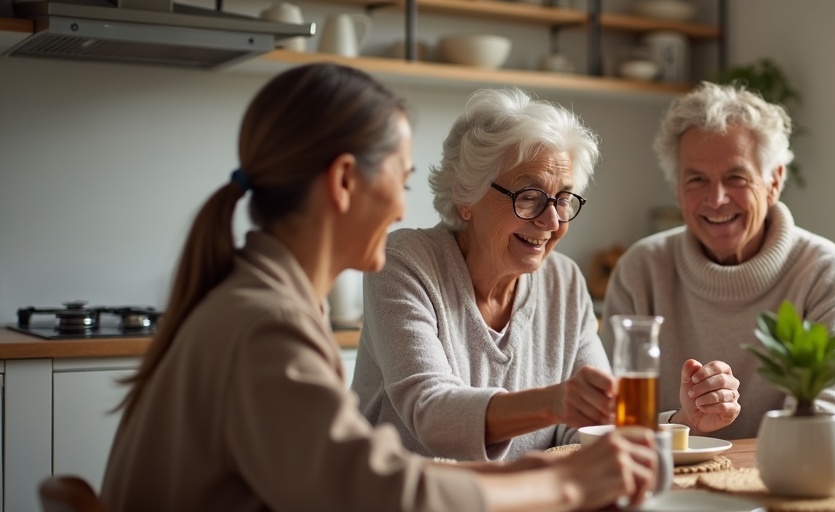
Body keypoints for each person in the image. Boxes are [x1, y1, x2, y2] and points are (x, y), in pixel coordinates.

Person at [102, 63, 657, 512]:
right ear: (345, 181)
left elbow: (359, 475)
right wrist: (560, 484)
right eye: (402, 181)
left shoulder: (268, 302)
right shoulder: (270, 325)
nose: (400, 208)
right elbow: (378, 492)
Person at [600, 81, 835, 440]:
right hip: (676, 471)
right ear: (677, 189)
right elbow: (611, 418)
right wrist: (684, 422)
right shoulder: (640, 270)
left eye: (736, 177)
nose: (716, 199)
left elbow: (821, 429)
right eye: (696, 179)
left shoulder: (828, 274)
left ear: (774, 182)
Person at [351, 87, 613, 462]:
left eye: (563, 199)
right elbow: (432, 412)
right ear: (465, 195)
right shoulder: (404, 262)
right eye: (529, 196)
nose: (552, 221)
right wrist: (553, 403)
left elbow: (595, 423)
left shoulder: (564, 281)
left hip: (527, 492)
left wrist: (678, 420)